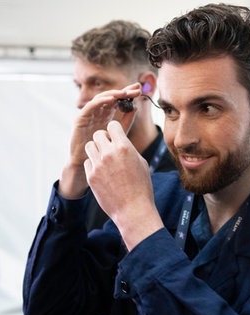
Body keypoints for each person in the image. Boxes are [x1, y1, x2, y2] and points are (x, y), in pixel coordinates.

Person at [23, 3, 250, 315]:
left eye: (207, 108)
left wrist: (138, 223)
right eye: (171, 111)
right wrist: (72, 181)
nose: (182, 137)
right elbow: (50, 309)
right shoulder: (157, 195)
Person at [70, 20, 176, 230]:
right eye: (79, 86)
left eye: (97, 83)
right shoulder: (89, 169)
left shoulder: (185, 174)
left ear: (146, 86)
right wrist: (73, 171)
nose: (81, 102)